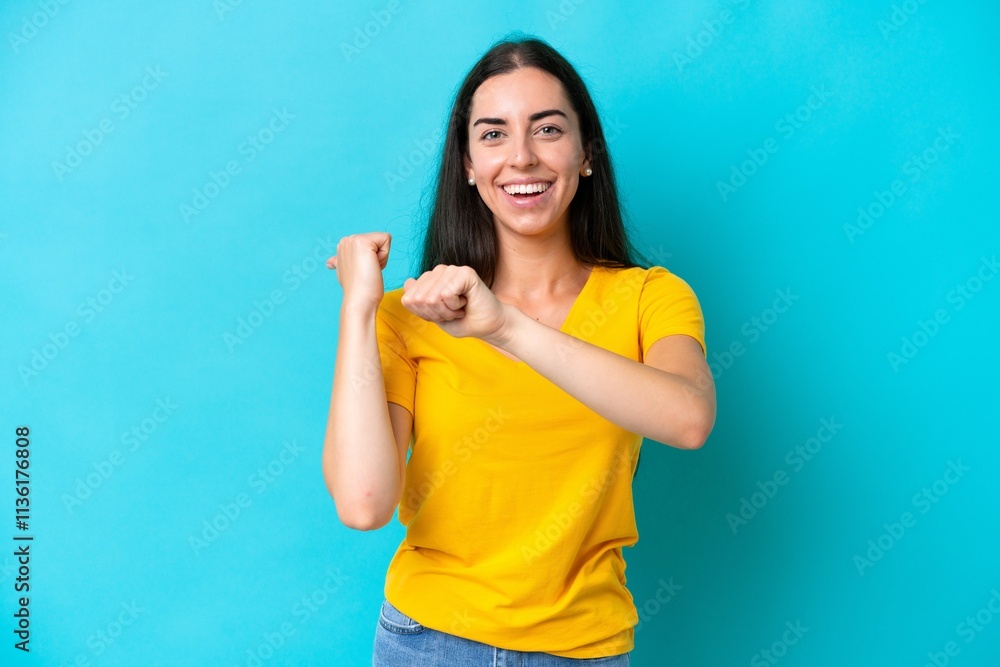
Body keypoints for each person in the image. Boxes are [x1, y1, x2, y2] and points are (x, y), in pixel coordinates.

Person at [323, 34, 716, 666]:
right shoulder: (411, 316)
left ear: (586, 155)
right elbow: (363, 503)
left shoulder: (650, 298)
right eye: (493, 134)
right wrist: (359, 307)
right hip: (427, 643)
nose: (523, 157)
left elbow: (688, 418)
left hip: (582, 649)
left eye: (548, 129)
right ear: (468, 165)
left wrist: (504, 327)